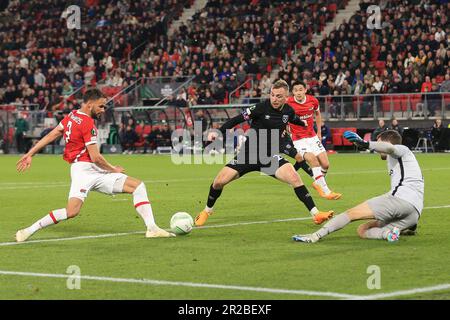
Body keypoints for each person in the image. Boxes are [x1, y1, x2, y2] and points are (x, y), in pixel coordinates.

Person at [15, 89, 174, 242]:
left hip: (86, 169)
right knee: (72, 211)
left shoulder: (72, 116)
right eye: (101, 106)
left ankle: (152, 228)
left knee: (138, 186)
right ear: (89, 104)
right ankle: (28, 230)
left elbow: (53, 134)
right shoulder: (87, 123)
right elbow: (96, 157)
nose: (103, 110)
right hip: (84, 171)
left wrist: (30, 153)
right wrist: (113, 169)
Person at [194, 80, 334, 227]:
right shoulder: (260, 108)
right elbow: (236, 120)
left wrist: (303, 123)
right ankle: (207, 211)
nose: (274, 99)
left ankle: (316, 214)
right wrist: (217, 132)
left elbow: (293, 119)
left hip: (269, 157)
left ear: (286, 97)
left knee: (295, 177)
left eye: (279, 96)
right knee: (218, 182)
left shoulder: (288, 111)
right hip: (248, 155)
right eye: (272, 95)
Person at [292, 130, 423, 243]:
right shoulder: (403, 161)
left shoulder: (402, 149)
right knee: (362, 230)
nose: (377, 150)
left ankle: (315, 236)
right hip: (414, 213)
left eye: (378, 143)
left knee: (350, 214)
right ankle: (388, 234)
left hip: (399, 200)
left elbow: (390, 148)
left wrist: (366, 144)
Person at [286, 81, 341, 200]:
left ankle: (318, 183)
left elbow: (317, 114)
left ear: (305, 90)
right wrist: (286, 130)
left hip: (312, 137)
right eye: (296, 90)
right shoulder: (288, 103)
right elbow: (282, 117)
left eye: (301, 89)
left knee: (326, 164)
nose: (298, 92)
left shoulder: (313, 101)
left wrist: (319, 132)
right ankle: (326, 191)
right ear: (293, 92)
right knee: (313, 160)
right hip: (298, 139)